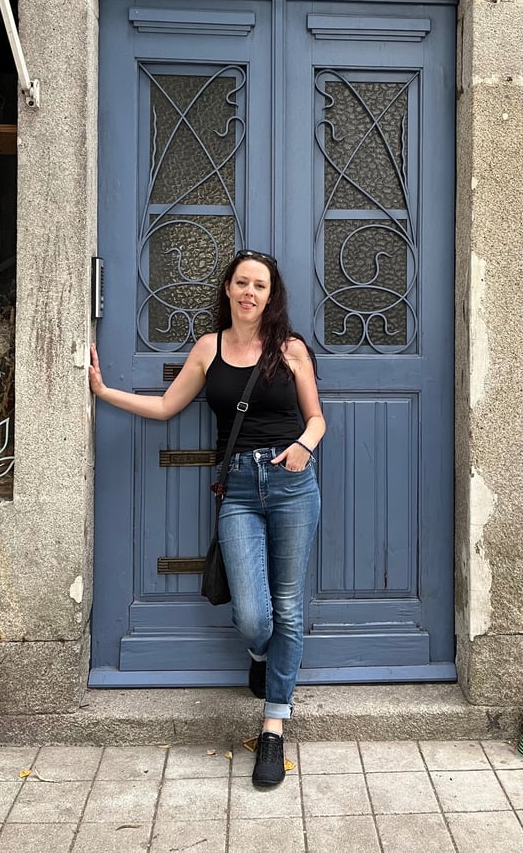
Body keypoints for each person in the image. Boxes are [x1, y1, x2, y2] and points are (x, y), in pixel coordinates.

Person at [89, 249, 325, 789]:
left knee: (288, 605)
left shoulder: (289, 350)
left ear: (271, 295)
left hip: (291, 483)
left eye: (259, 286)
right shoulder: (208, 348)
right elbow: (167, 406)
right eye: (241, 283)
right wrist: (105, 393)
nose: (249, 293)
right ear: (228, 289)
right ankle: (261, 654)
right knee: (253, 616)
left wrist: (303, 448)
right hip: (238, 489)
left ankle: (272, 728)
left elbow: (316, 417)